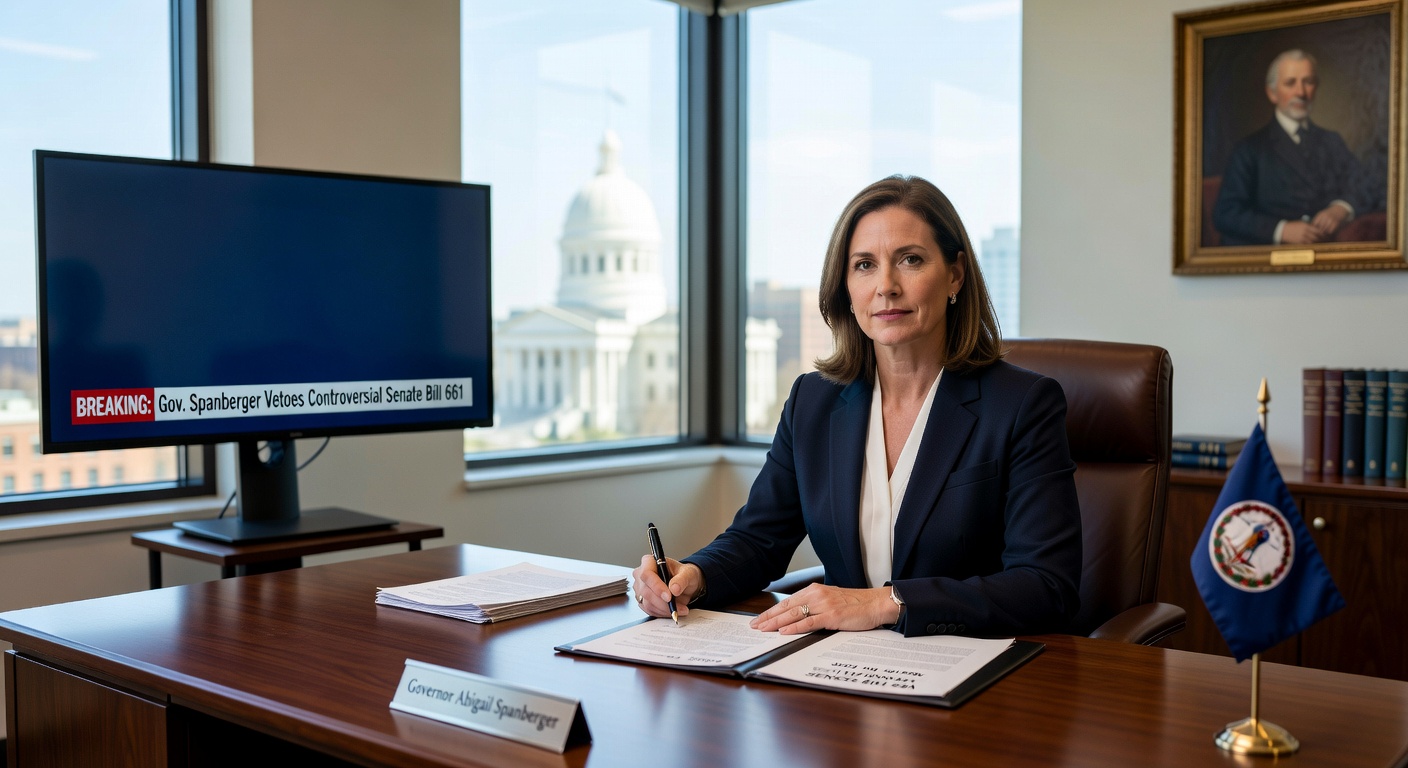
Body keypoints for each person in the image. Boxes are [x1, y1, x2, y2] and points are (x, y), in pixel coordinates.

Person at [631, 175, 1082, 638]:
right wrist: (693, 577)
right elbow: (758, 539)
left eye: (910, 260)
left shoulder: (1023, 405)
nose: (886, 286)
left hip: (974, 672)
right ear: (846, 287)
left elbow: (1046, 586)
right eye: (864, 265)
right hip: (843, 671)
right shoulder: (813, 401)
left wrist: (886, 603)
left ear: (955, 274)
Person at [1212, 49, 1366, 246]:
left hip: (1326, 255)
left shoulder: (1331, 141)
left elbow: (1365, 185)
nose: (1301, 93)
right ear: (1272, 93)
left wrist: (1341, 208)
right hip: (1266, 259)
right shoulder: (1249, 149)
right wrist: (1281, 230)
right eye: (1290, 83)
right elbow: (1226, 213)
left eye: (1308, 82)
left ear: (1316, 88)